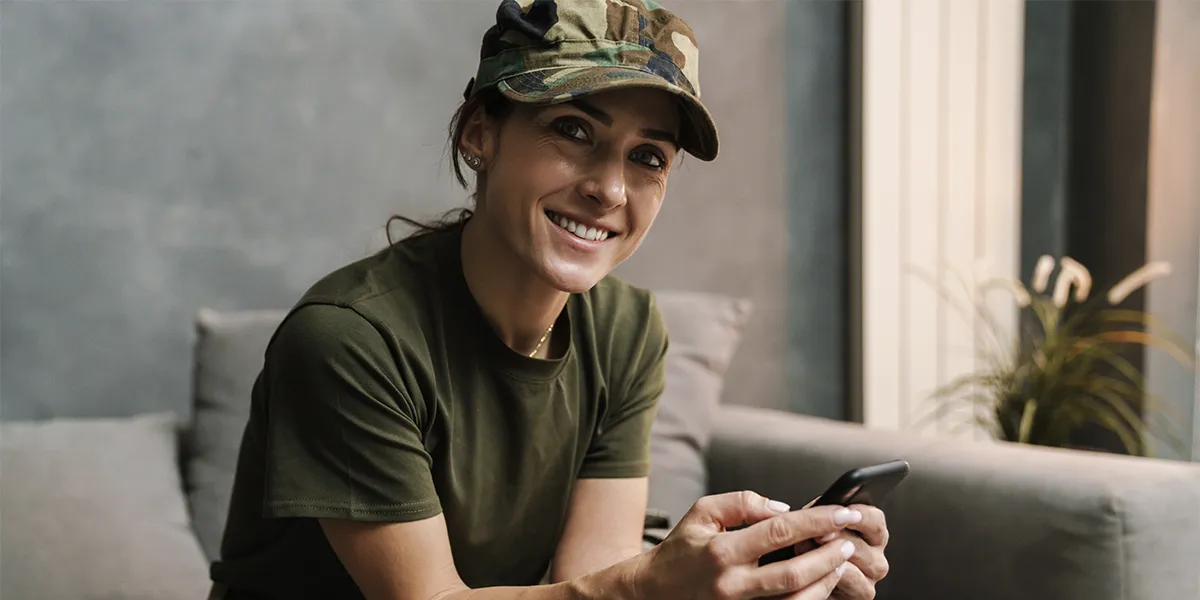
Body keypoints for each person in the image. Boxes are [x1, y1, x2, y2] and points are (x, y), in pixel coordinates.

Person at [207, 1, 891, 599]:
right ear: (480, 132)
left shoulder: (627, 330)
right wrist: (653, 587)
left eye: (647, 157)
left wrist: (753, 578)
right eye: (572, 130)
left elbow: (592, 576)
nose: (610, 190)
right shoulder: (350, 340)